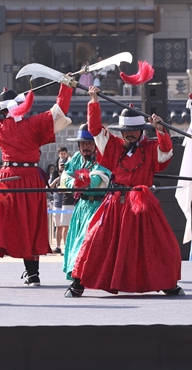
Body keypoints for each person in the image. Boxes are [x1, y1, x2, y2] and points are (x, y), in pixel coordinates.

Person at [67, 85, 182, 298]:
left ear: (141, 131)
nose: (128, 135)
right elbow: (94, 130)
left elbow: (165, 153)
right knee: (95, 238)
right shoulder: (114, 146)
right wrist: (94, 100)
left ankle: (167, 283)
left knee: (158, 243)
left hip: (142, 202)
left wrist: (160, 130)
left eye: (132, 131)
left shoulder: (150, 148)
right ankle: (78, 282)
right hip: (116, 201)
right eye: (125, 132)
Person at [0, 81, 73, 288]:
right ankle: (33, 274)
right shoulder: (34, 124)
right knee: (30, 222)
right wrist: (65, 87)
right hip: (32, 179)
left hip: (7, 178)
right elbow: (59, 112)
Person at [59, 124, 111, 279]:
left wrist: (83, 182)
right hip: (81, 206)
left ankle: (80, 277)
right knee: (76, 241)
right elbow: (66, 177)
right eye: (83, 143)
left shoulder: (103, 157)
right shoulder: (75, 157)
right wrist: (74, 183)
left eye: (89, 143)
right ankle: (77, 273)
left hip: (99, 206)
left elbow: (98, 179)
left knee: (87, 241)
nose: (86, 147)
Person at [49, 157, 69, 254]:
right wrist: (58, 179)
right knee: (58, 226)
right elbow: (49, 188)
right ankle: (58, 246)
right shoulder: (55, 175)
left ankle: (66, 247)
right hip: (57, 204)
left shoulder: (69, 174)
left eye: (64, 164)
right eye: (60, 164)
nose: (62, 166)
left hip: (67, 203)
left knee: (66, 226)